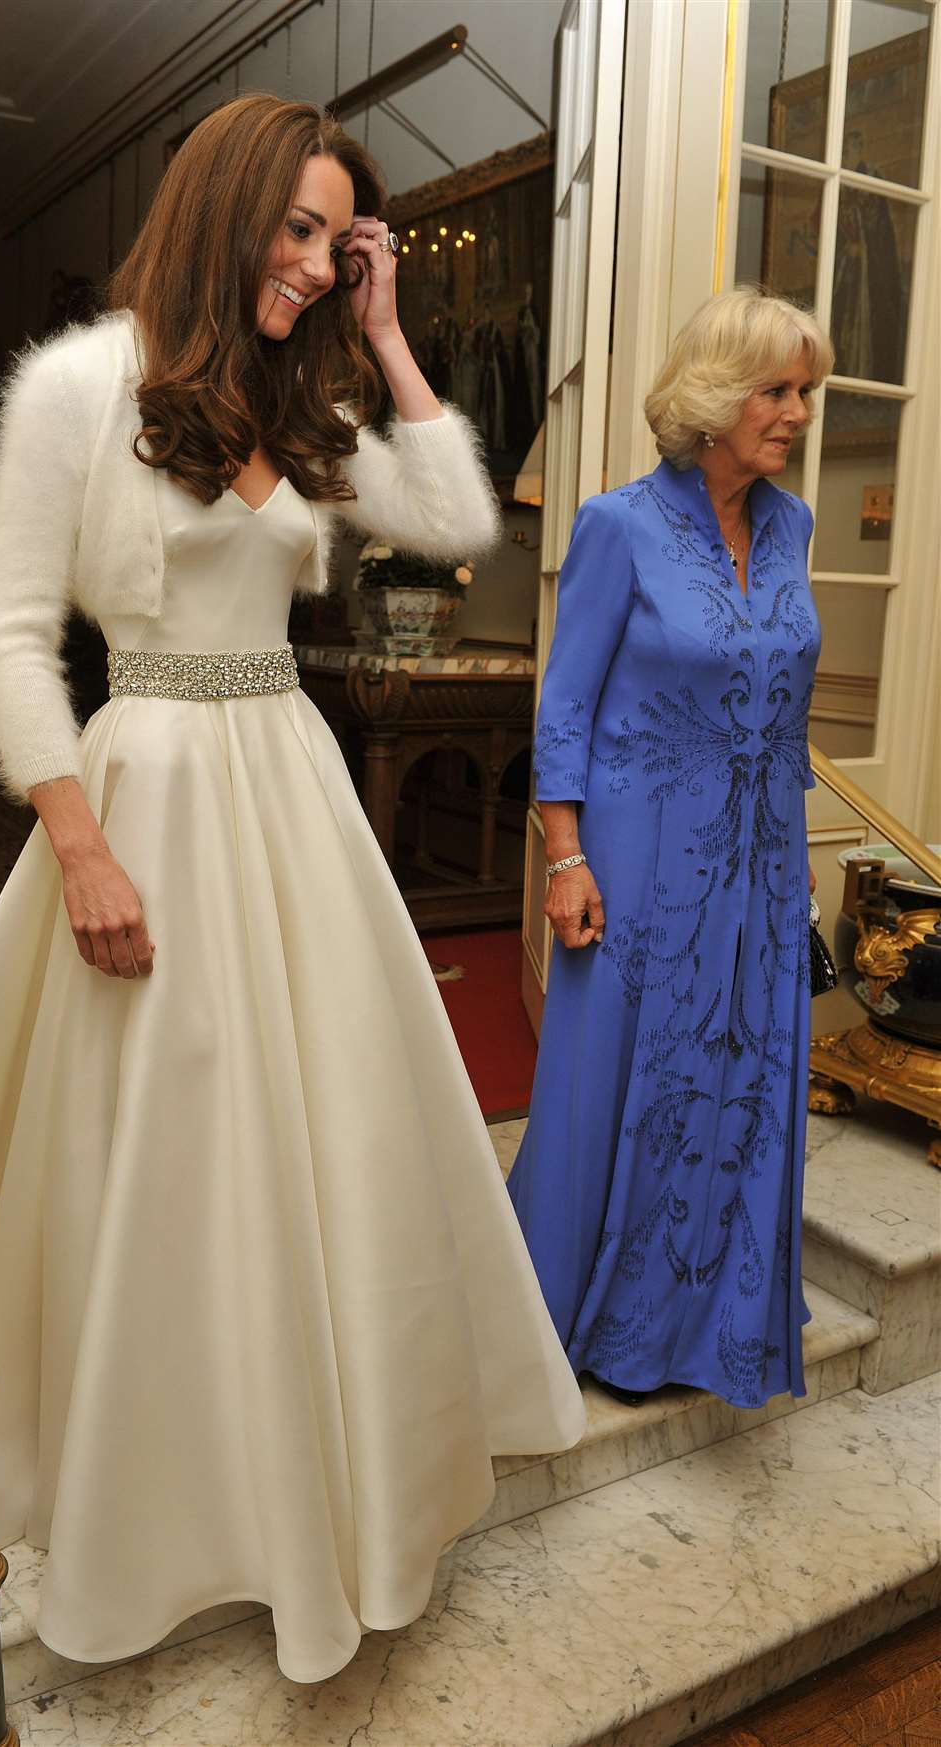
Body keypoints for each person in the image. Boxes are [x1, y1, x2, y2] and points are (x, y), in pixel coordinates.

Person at [0, 96, 585, 1683]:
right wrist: (80, 841)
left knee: (327, 1141)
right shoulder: (82, 381)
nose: (323, 264)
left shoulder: (307, 389)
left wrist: (391, 340)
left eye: (345, 239)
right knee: (177, 1154)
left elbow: (459, 523)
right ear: (223, 207)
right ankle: (161, 1500)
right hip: (152, 788)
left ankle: (319, 1490)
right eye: (302, 230)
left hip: (289, 786)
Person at [507, 287, 834, 1412]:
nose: (795, 412)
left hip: (761, 859)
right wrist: (565, 856)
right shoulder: (618, 525)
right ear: (713, 395)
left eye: (805, 391)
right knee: (627, 1086)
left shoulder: (792, 526)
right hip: (640, 860)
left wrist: (790, 861)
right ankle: (595, 1320)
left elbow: (784, 698)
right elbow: (567, 705)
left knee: (743, 1079)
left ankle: (715, 1318)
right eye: (776, 389)